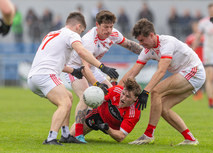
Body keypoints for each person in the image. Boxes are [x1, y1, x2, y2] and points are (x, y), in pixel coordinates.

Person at [27, 12, 119, 145]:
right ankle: (51, 138)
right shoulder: (72, 34)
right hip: (45, 75)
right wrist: (102, 67)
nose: (80, 35)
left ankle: (65, 135)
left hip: (34, 77)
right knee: (65, 103)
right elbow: (82, 52)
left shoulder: (52, 34)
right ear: (78, 26)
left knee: (68, 97)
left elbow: (55, 61)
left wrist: (73, 71)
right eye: (81, 31)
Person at [119, 18, 206, 145]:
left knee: (155, 92)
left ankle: (148, 135)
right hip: (186, 74)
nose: (141, 44)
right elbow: (133, 72)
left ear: (152, 35)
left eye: (142, 40)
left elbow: (161, 71)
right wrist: (118, 88)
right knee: (163, 108)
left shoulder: (167, 43)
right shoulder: (147, 50)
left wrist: (146, 91)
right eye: (139, 41)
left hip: (194, 71)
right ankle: (190, 139)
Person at [65, 10, 143, 143]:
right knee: (86, 95)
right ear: (97, 25)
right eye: (105, 27)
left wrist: (148, 52)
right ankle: (78, 135)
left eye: (111, 26)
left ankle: (98, 121)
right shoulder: (89, 40)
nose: (109, 30)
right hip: (76, 69)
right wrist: (96, 85)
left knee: (111, 92)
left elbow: (129, 45)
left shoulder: (113, 34)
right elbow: (85, 68)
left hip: (93, 68)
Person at [74, 78, 142, 142]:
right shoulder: (116, 90)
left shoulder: (134, 113)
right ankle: (111, 81)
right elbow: (98, 99)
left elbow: (121, 137)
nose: (123, 98)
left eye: (128, 96)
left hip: (110, 127)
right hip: (98, 114)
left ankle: (112, 80)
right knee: (72, 136)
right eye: (123, 94)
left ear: (135, 98)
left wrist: (107, 128)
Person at [185, 21, 204, 101]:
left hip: (204, 59)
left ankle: (200, 92)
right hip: (194, 60)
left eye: (197, 26)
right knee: (195, 77)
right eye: (194, 26)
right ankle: (197, 93)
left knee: (204, 77)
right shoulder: (189, 38)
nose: (195, 28)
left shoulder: (203, 37)